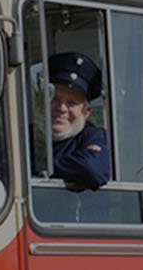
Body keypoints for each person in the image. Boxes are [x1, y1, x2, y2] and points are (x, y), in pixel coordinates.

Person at [47, 51, 110, 191]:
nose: (62, 108)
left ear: (86, 112)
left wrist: (43, 168)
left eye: (72, 103)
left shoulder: (92, 136)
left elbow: (93, 170)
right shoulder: (25, 136)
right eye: (55, 99)